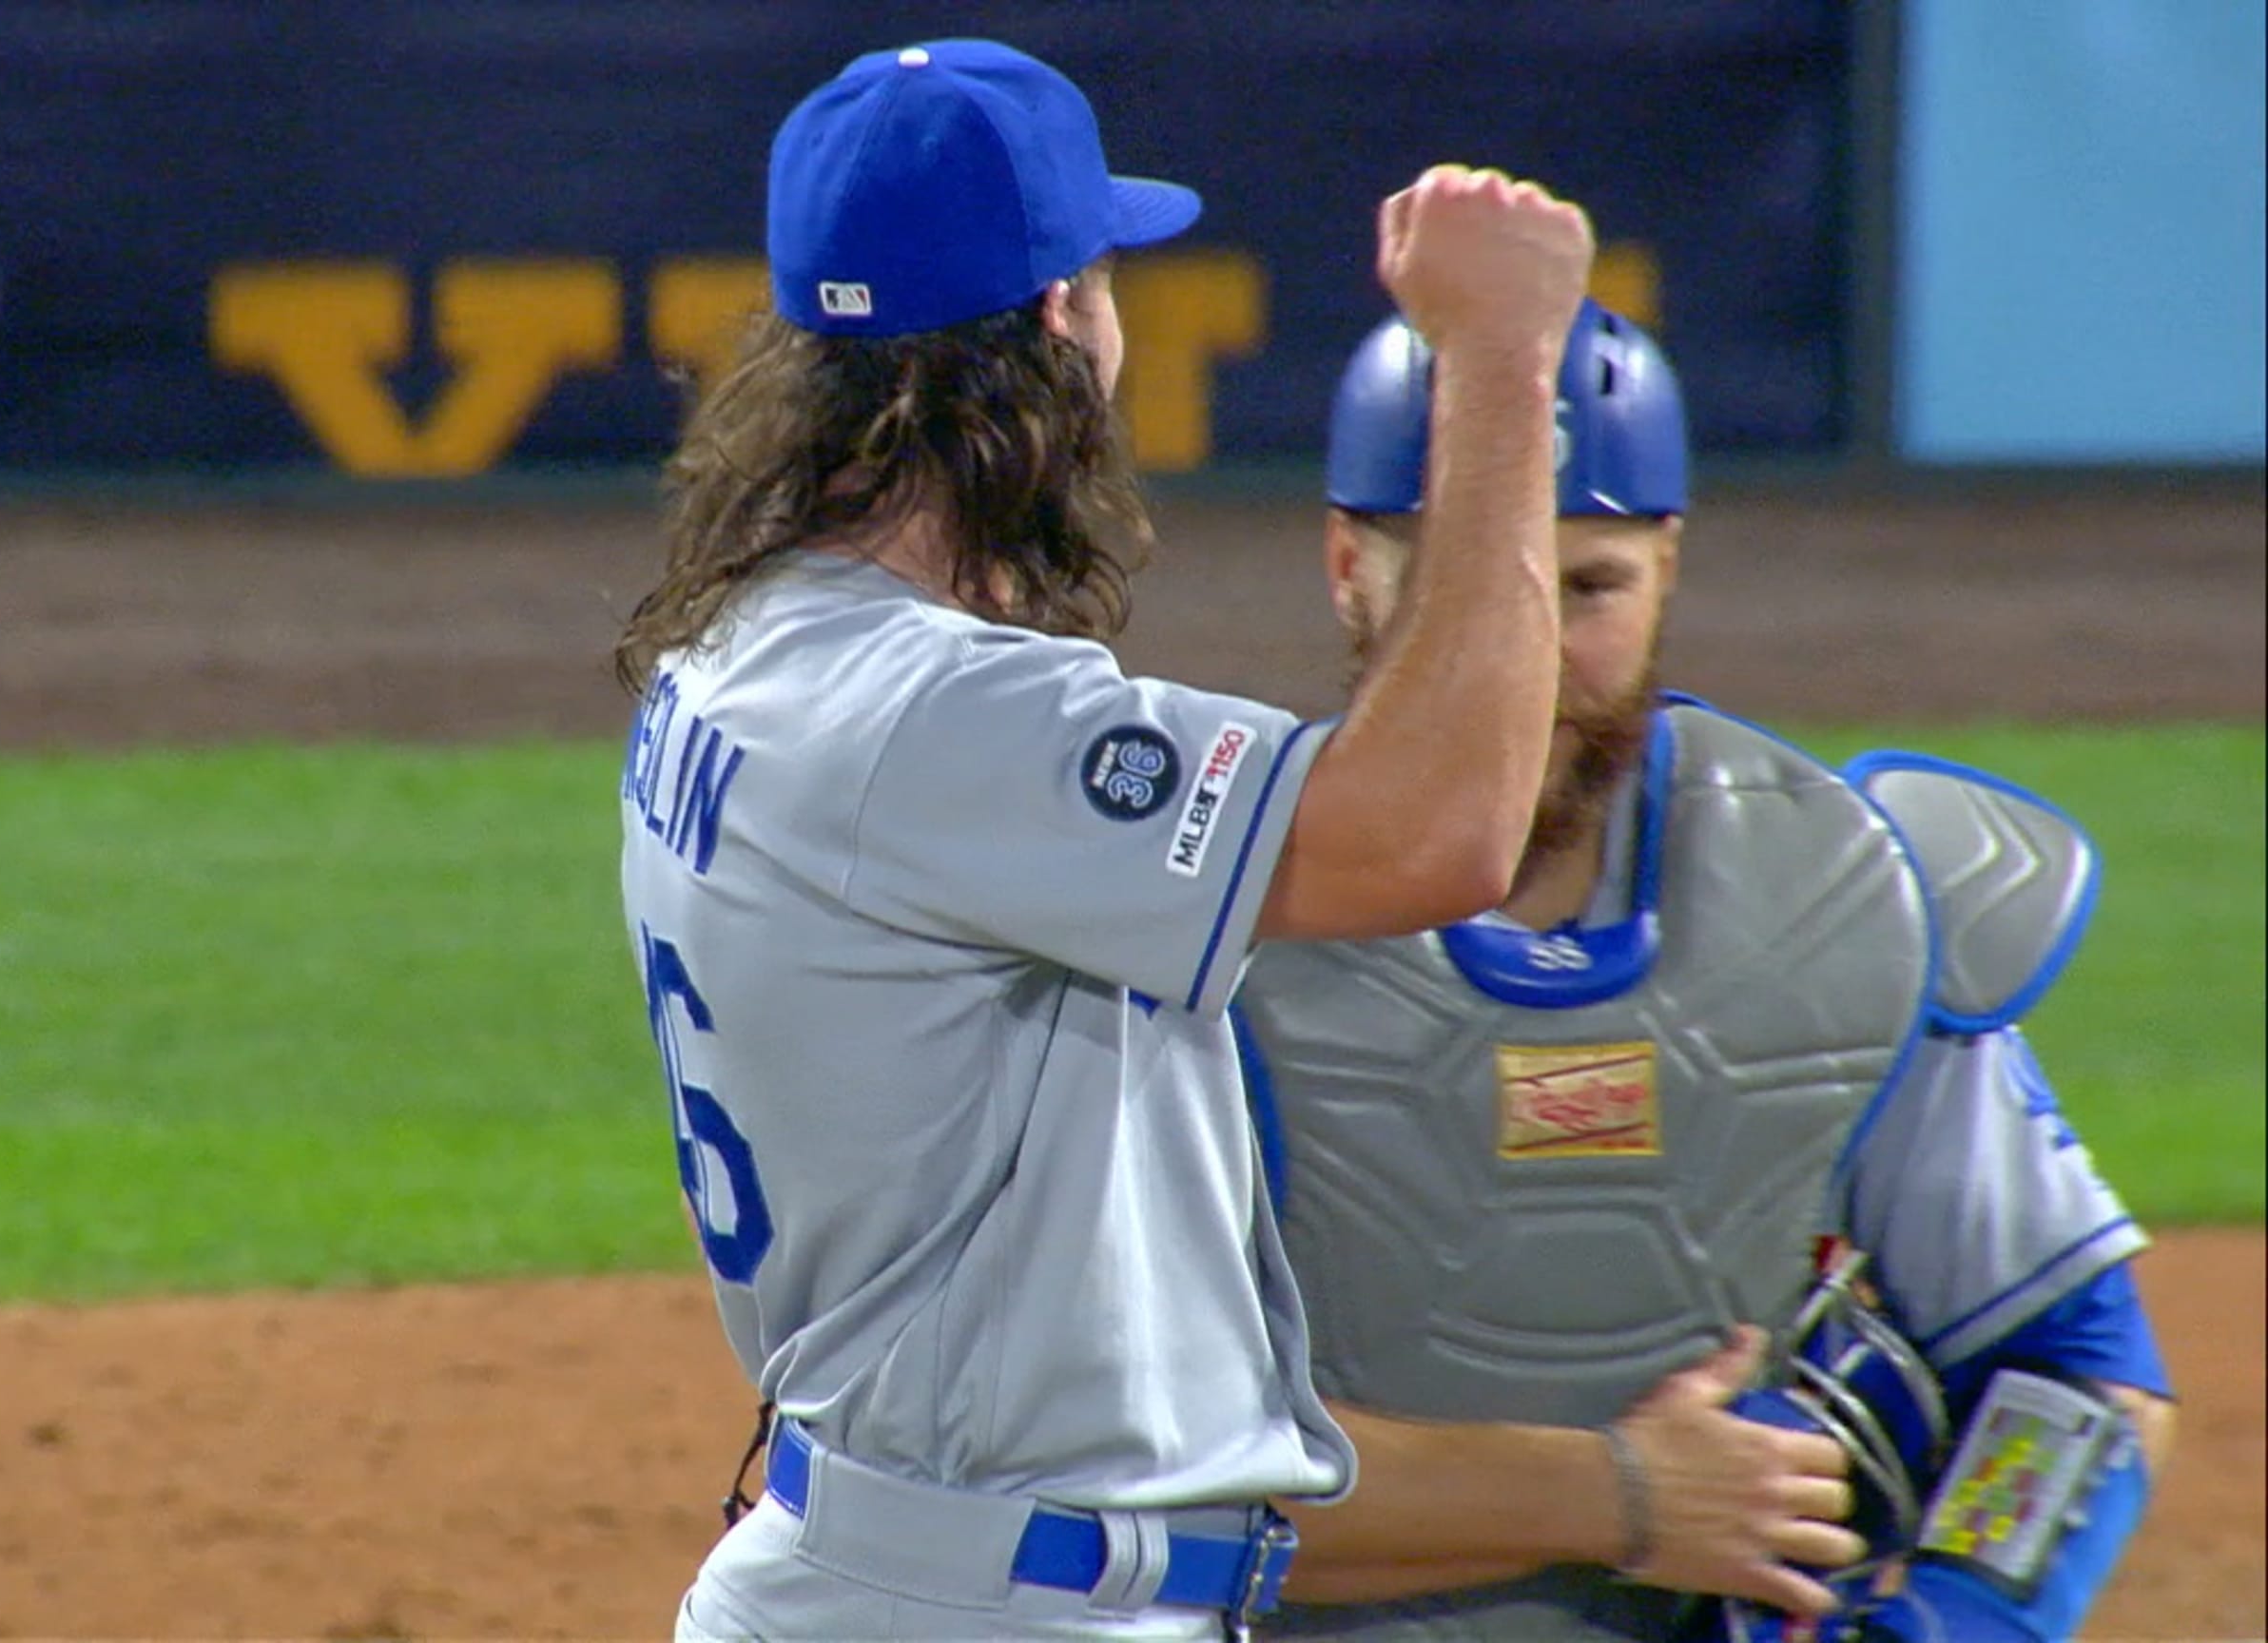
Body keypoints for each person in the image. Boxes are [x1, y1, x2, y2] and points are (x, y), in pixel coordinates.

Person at [608, 31, 1708, 1642]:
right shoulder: (931, 715)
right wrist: (1499, 360)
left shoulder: (747, 656)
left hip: (897, 1561)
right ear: (1062, 317)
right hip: (985, 1605)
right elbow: (1441, 837)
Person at [1230, 301, 2178, 1641]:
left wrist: (1953, 1624)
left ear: (1671, 565)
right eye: (1465, 589)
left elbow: (2081, 1375)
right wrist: (1622, 1496)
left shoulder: (1843, 901)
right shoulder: (1191, 918)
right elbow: (1117, 1480)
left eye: (1591, 586)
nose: (1530, 662)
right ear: (1346, 565)